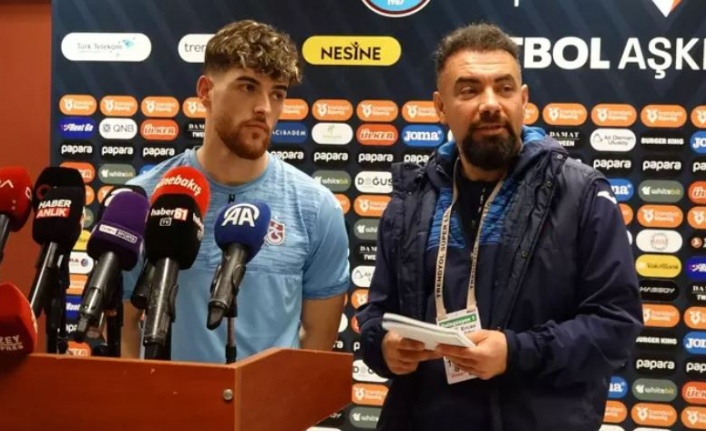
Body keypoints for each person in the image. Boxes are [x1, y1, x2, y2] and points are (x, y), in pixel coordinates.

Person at [355, 22, 643, 431]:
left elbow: (615, 325)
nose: (490, 103)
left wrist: (515, 352)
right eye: (469, 90)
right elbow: (377, 313)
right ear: (440, 107)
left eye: (504, 88)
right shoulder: (411, 199)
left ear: (523, 100)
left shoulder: (581, 194)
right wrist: (383, 346)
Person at [120, 19, 350, 363]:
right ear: (205, 91)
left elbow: (317, 342)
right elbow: (122, 327)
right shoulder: (143, 200)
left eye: (277, 94)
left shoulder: (317, 209)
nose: (264, 108)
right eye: (248, 87)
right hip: (166, 397)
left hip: (269, 400)